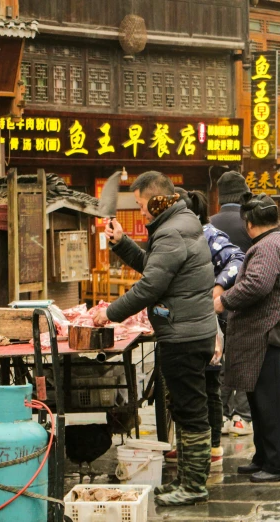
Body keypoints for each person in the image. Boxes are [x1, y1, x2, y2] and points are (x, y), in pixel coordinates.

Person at [94, 171, 216, 506]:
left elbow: (151, 286)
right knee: (187, 407)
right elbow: (155, 267)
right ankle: (187, 480)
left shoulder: (172, 232)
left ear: (160, 199)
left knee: (190, 410)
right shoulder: (180, 224)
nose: (141, 211)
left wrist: (109, 313)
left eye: (142, 204)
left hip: (184, 335)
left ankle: (193, 486)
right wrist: (123, 244)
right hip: (191, 330)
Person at [214, 192, 280, 483]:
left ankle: (278, 464)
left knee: (273, 403)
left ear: (250, 223)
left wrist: (224, 300)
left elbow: (257, 284)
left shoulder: (267, 246)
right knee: (260, 401)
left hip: (275, 334)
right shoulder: (279, 240)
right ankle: (263, 457)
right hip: (270, 334)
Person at [161, 188, 244, 471]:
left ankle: (212, 448)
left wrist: (218, 288)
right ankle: (190, 448)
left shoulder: (207, 234)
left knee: (208, 385)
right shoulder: (180, 234)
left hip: (207, 324)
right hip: (183, 324)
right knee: (191, 388)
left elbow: (238, 259)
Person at [210, 171, 254, 437]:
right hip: (246, 303)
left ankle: (223, 412)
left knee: (220, 359)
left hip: (216, 303)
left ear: (220, 197)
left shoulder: (209, 224)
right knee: (247, 360)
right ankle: (241, 417)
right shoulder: (251, 223)